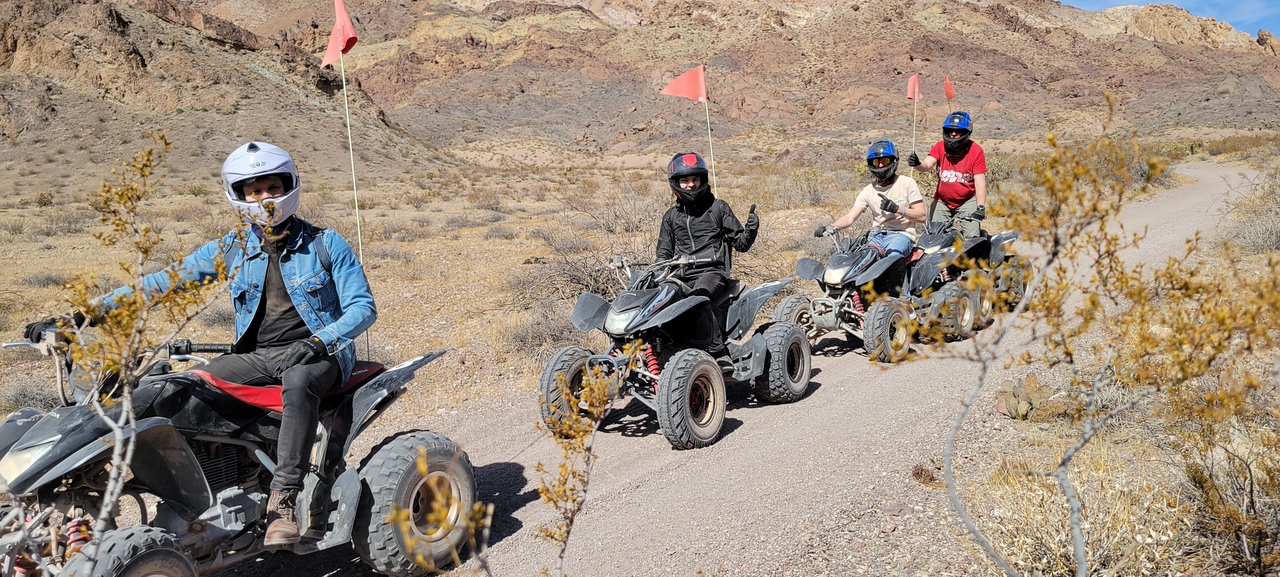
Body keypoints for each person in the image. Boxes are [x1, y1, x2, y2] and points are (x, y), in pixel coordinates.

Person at [23, 142, 377, 547]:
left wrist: (318, 342)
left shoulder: (325, 243)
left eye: (272, 187)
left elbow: (362, 307)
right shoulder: (233, 248)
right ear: (239, 196)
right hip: (257, 357)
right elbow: (164, 282)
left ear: (289, 187)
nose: (264, 198)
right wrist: (83, 317)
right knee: (179, 387)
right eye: (253, 191)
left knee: (298, 383)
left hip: (318, 353)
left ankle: (283, 500)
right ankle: (203, 483)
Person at [655, 151, 759, 358]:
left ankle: (718, 353)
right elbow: (663, 253)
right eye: (685, 180)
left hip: (712, 272)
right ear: (675, 183)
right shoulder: (671, 216)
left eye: (695, 179)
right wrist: (656, 275)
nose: (691, 185)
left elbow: (741, 244)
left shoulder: (717, 208)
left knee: (697, 298)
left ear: (703, 179)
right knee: (655, 303)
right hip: (680, 275)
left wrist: (751, 230)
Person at [815, 140, 925, 254]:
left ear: (894, 161)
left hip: (901, 235)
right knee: (859, 258)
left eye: (884, 161)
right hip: (875, 236)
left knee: (893, 257)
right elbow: (850, 217)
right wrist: (831, 227)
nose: (880, 165)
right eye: (876, 162)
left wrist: (897, 209)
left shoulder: (907, 183)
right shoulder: (868, 191)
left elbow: (921, 216)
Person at [906, 111, 987, 238]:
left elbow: (980, 182)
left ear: (967, 132)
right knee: (935, 235)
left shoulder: (976, 151)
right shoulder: (940, 147)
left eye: (958, 131)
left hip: (967, 200)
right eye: (950, 130)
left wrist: (980, 207)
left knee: (972, 237)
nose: (953, 134)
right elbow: (927, 165)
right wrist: (917, 164)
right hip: (942, 200)